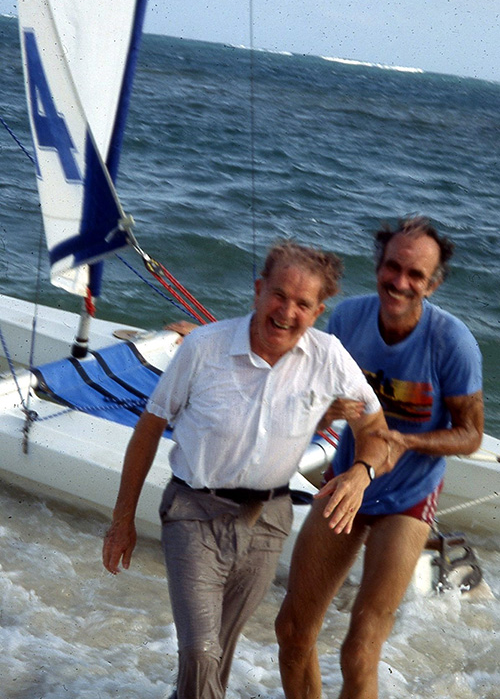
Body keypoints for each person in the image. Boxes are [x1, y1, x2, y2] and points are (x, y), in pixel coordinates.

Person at [102, 240, 393, 699]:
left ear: (317, 311)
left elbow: (376, 430)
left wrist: (361, 473)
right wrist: (122, 521)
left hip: (267, 521)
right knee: (200, 653)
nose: (287, 311)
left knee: (217, 655)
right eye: (279, 295)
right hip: (193, 513)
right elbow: (148, 429)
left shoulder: (329, 358)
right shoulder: (203, 347)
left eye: (302, 303)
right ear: (258, 290)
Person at [275, 217, 484, 699]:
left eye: (416, 275)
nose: (401, 282)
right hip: (349, 481)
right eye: (393, 267)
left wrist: (406, 441)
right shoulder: (347, 320)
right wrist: (327, 408)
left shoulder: (452, 343)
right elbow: (304, 389)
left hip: (408, 497)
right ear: (378, 266)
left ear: (434, 283)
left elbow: (471, 433)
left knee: (360, 649)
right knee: (292, 630)